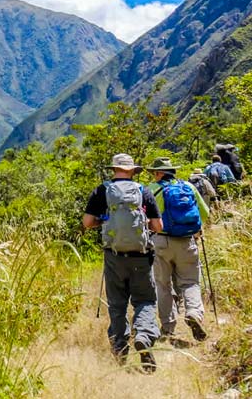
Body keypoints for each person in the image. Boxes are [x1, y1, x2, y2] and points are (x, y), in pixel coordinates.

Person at [83, 153, 162, 372]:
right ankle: (144, 337)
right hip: (141, 256)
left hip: (114, 255)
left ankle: (119, 349)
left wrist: (104, 221)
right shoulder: (142, 191)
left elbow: (87, 222)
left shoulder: (102, 190)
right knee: (145, 300)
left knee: (117, 304)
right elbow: (158, 226)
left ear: (114, 169)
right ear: (131, 171)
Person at [146, 157, 209, 343]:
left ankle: (167, 327)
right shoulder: (189, 187)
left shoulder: (152, 190)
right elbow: (205, 213)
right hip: (186, 241)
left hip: (161, 241)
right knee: (190, 282)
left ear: (159, 173)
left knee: (163, 284)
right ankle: (193, 313)